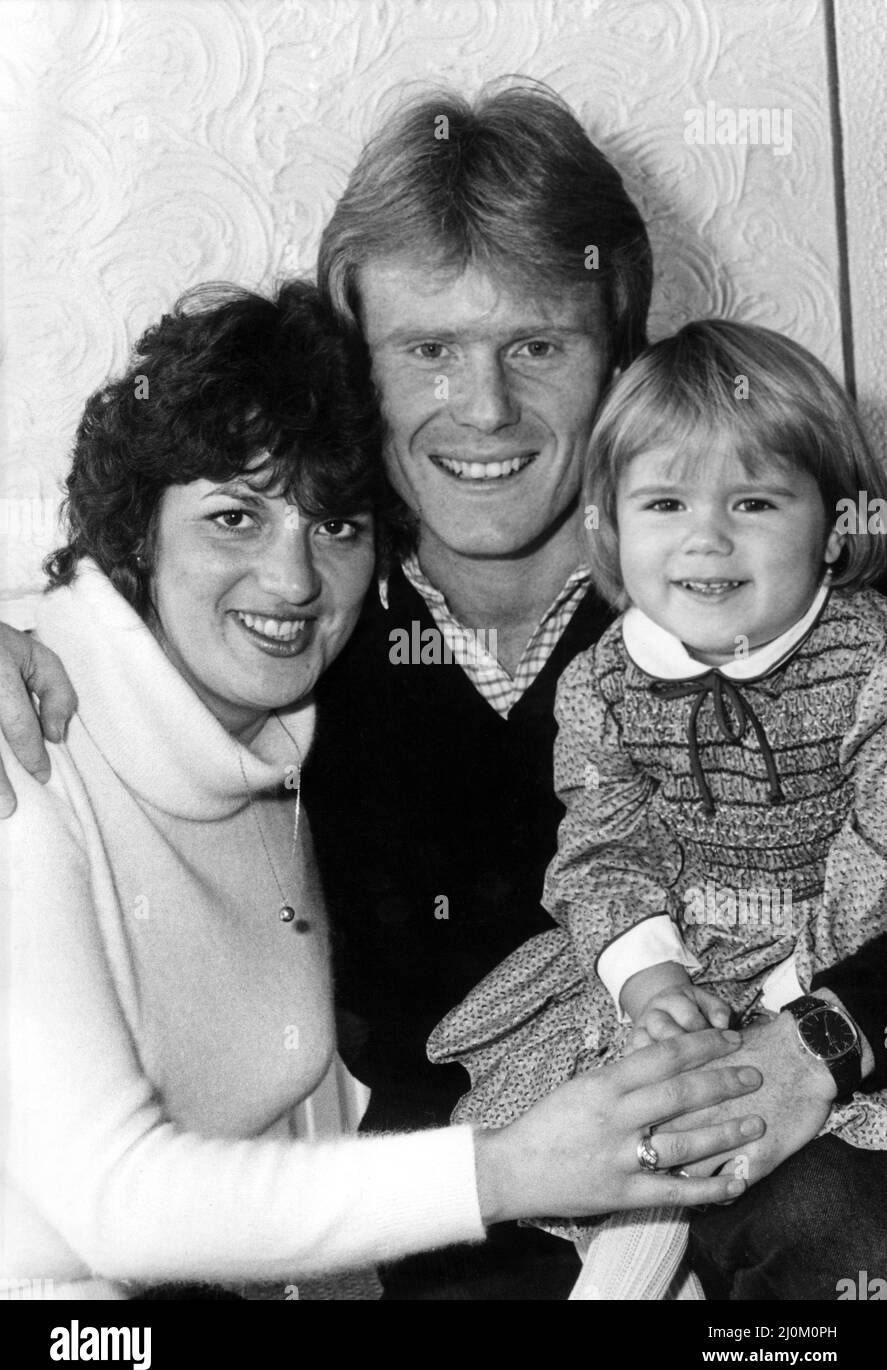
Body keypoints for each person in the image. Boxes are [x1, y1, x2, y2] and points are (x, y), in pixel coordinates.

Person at [0, 82, 883, 1299]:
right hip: (469, 1234)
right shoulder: (298, 629)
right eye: (426, 350)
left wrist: (830, 1038)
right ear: (359, 374)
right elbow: (125, 598)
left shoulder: (764, 590)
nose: (482, 409)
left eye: (535, 344)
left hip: (805, 1165)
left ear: (618, 354)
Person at [429, 320, 887, 1299]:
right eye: (663, 502)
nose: (705, 538)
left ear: (836, 524)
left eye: (754, 500)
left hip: (824, 966)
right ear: (610, 528)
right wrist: (646, 974)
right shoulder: (602, 679)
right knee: (584, 1147)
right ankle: (633, 1249)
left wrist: (791, 984)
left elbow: (877, 840)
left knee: (841, 1225)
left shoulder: (866, 661)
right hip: (658, 969)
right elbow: (600, 845)